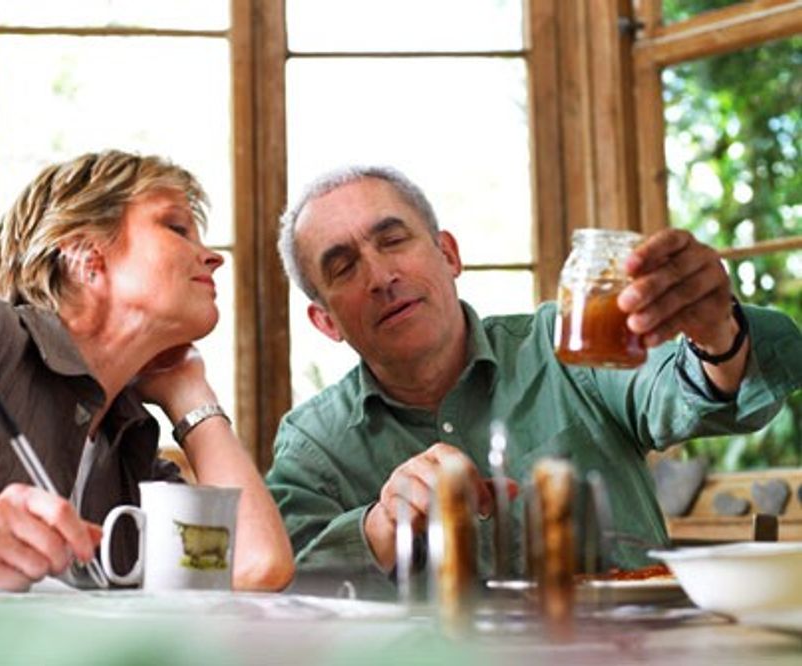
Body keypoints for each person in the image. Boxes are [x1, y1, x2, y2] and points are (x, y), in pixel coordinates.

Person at [265, 164, 801, 587]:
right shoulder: (314, 445)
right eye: (344, 267)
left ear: (449, 254)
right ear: (326, 321)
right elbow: (285, 587)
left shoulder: (569, 343)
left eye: (393, 240)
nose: (381, 276)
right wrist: (379, 527)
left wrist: (716, 335)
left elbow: (693, 389)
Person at [0, 150, 294, 592]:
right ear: (86, 255)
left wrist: (192, 396)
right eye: (176, 227)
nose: (214, 256)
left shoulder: (130, 443)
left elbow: (256, 566)